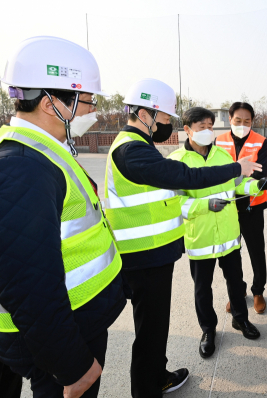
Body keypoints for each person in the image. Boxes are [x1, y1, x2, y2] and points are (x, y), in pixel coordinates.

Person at [103, 79, 261, 397]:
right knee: (150, 330)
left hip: (155, 254)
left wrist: (250, 184)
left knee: (155, 327)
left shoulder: (139, 147)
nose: (167, 125)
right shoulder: (131, 149)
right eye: (166, 119)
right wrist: (235, 169)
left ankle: (156, 375)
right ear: (148, 114)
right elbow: (184, 179)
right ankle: (147, 389)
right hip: (143, 256)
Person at [0, 36, 125, 398]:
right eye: (87, 101)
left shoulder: (45, 153)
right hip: (57, 345)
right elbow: (28, 284)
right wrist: (73, 367)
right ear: (53, 104)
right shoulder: (24, 168)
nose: (93, 111)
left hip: (73, 323)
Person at [168, 107, 265, 359]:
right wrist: (205, 205)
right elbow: (175, 204)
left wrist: (256, 185)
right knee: (203, 288)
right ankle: (208, 330)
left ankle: (240, 320)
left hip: (229, 235)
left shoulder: (223, 157)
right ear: (187, 130)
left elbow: (238, 184)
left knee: (236, 282)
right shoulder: (177, 162)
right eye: (202, 127)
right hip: (200, 238)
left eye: (211, 126)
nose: (209, 131)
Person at [213, 102, 267, 314]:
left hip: (252, 206)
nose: (242, 124)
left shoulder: (260, 141)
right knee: (231, 254)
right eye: (238, 120)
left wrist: (236, 181)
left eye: (247, 121)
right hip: (228, 207)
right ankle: (238, 292)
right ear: (230, 119)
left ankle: (258, 291)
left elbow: (259, 173)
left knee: (256, 251)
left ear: (252, 122)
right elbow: (215, 172)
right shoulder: (218, 141)